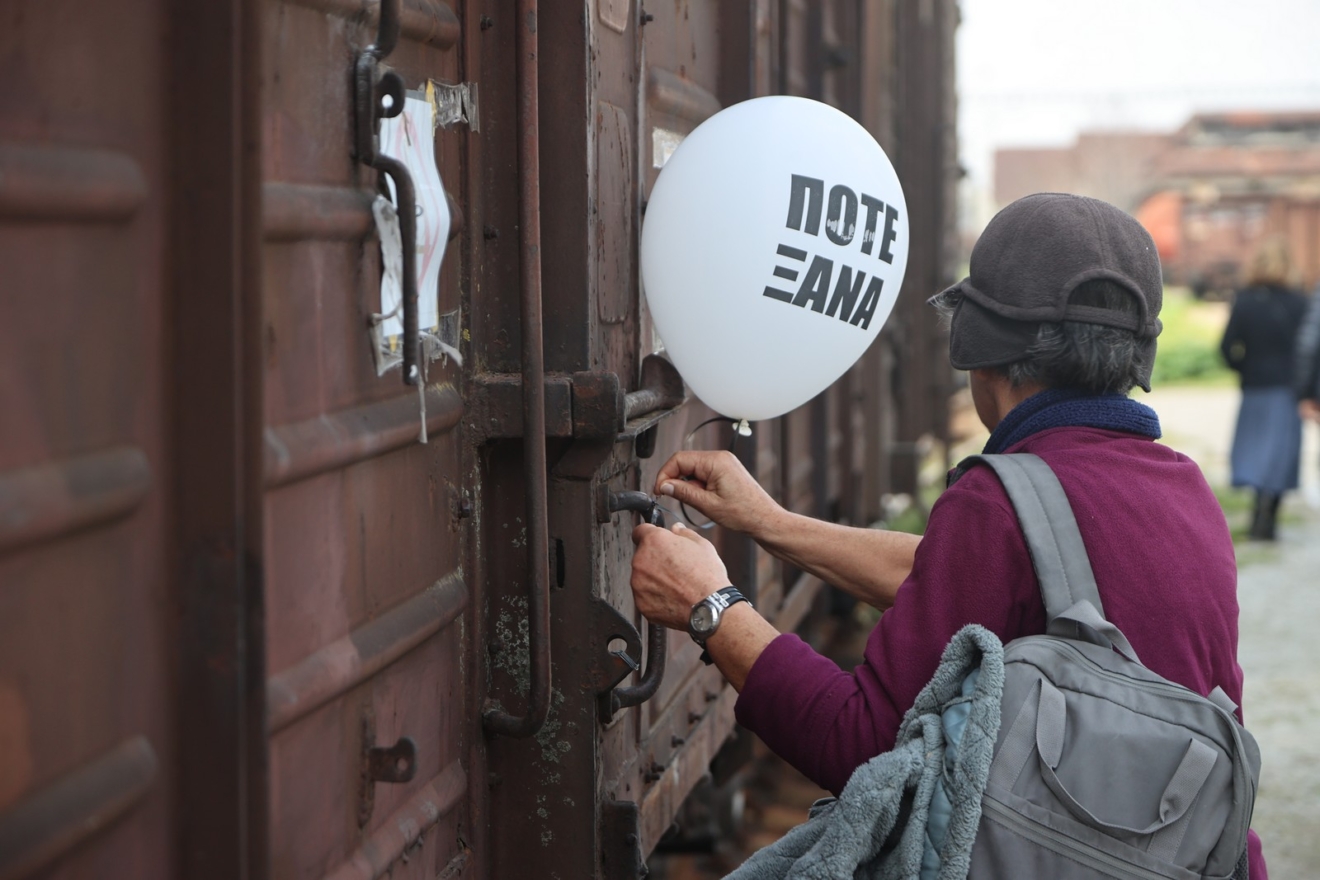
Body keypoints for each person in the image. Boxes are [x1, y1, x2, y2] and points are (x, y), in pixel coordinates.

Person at [629, 193, 1267, 877]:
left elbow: (861, 747)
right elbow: (981, 588)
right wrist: (771, 525)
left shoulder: (997, 504)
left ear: (980, 348)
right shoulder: (1183, 488)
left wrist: (714, 609)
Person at [1220, 237, 1308, 540]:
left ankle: (1258, 510)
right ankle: (1270, 518)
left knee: (1255, 449)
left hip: (1255, 387)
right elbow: (1310, 349)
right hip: (1287, 388)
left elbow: (1226, 347)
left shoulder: (1244, 301)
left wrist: (1244, 370)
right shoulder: (1301, 302)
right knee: (1281, 453)